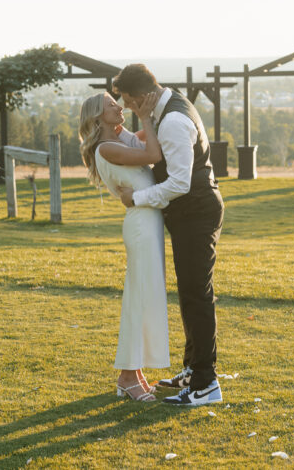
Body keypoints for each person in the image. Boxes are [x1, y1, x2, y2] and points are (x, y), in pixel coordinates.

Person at [112, 63, 225, 406]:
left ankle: (206, 384)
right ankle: (192, 369)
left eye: (130, 103)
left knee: (197, 297)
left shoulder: (174, 121)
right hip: (188, 214)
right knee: (190, 294)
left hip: (196, 213)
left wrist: (137, 199)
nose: (129, 109)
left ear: (143, 96)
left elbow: (179, 182)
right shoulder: (168, 104)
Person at [78, 90, 168, 402]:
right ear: (96, 116)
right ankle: (127, 375)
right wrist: (142, 114)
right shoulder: (106, 149)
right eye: (111, 105)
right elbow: (153, 154)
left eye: (117, 101)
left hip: (149, 224)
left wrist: (143, 115)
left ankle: (136, 372)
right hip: (141, 226)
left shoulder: (117, 138)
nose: (118, 106)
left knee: (146, 296)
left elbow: (154, 134)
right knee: (139, 298)